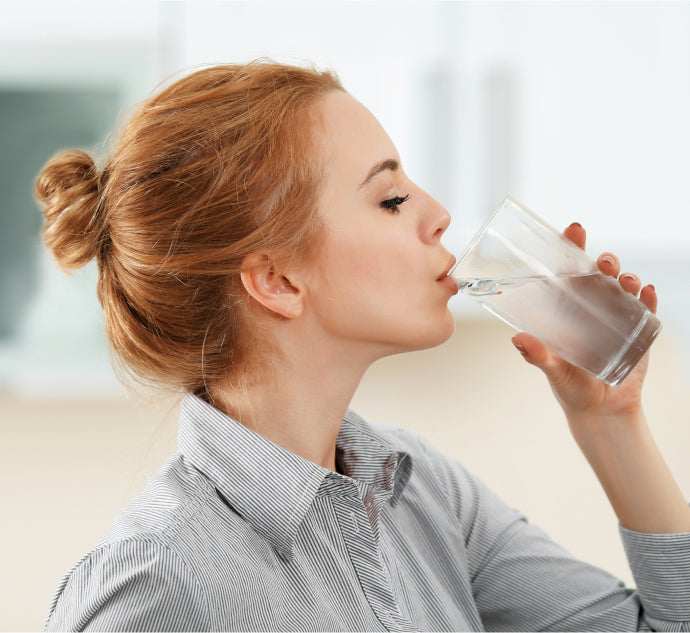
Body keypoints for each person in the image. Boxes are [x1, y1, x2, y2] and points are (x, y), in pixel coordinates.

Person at [37, 60, 689, 632]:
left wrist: (610, 421)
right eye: (391, 197)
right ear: (276, 279)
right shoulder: (153, 585)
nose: (438, 213)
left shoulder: (418, 489)